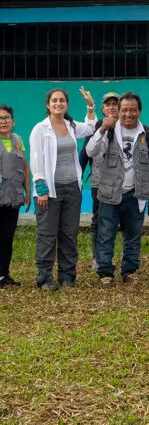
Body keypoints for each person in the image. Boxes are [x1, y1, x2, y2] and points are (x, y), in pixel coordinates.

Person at [86, 92, 149, 287]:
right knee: (106, 233)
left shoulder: (148, 133)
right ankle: (105, 272)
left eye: (133, 110)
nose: (129, 114)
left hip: (135, 194)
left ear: (139, 111)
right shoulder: (110, 131)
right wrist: (103, 128)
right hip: (109, 193)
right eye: (124, 110)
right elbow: (90, 151)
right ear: (118, 111)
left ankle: (129, 270)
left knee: (133, 234)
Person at [30, 87, 97, 290]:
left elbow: (91, 127)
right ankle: (44, 277)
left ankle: (67, 276)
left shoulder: (71, 125)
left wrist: (91, 105)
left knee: (69, 233)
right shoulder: (40, 129)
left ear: (67, 104)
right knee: (48, 234)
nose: (58, 103)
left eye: (62, 101)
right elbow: (36, 158)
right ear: (48, 105)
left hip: (71, 188)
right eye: (54, 101)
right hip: (49, 191)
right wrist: (41, 189)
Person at [79, 92, 119, 267]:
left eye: (114, 104)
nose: (111, 107)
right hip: (99, 182)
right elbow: (84, 153)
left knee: (117, 220)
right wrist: (77, 177)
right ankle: (97, 257)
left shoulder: (126, 126)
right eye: (107, 104)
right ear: (102, 108)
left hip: (121, 183)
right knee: (99, 220)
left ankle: (115, 255)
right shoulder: (95, 126)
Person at [0, 105, 30, 288]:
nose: (3, 121)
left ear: (13, 122)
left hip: (13, 198)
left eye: (6, 118)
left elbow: (25, 167)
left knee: (7, 238)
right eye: (0, 118)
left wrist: (27, 190)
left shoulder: (18, 140)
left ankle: (4, 274)